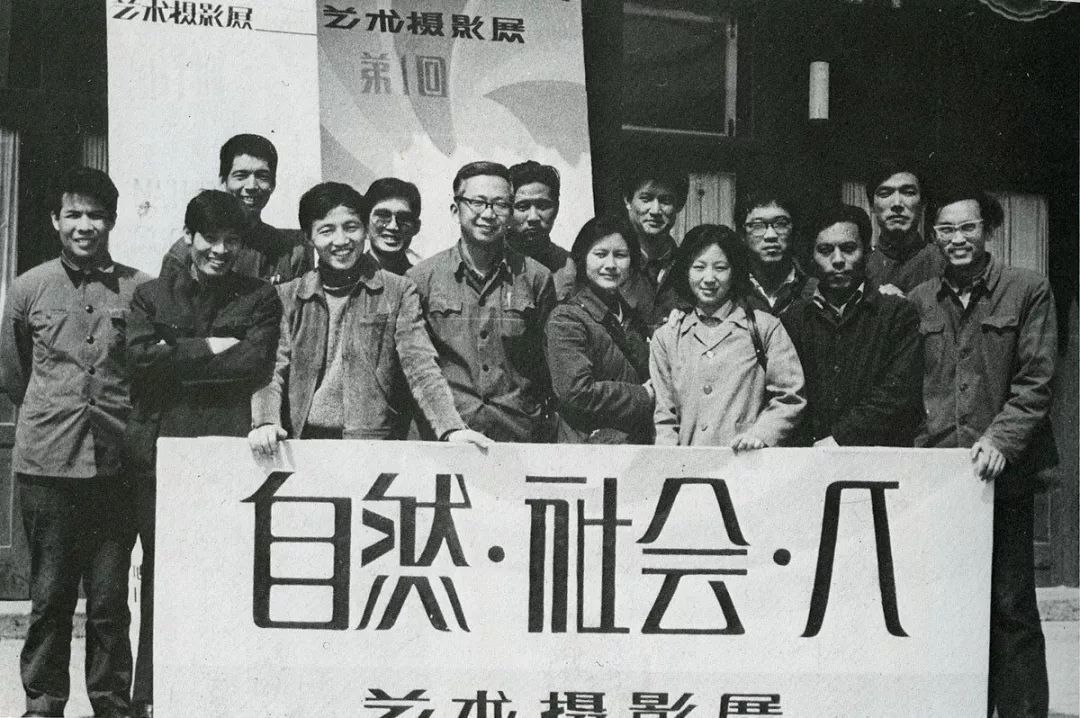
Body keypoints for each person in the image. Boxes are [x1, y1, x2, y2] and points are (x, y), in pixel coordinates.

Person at [125, 190, 283, 718]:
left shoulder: (260, 297)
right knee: (161, 573)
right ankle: (151, 694)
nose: (220, 250)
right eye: (209, 238)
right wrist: (213, 347)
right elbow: (139, 361)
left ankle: (219, 695)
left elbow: (255, 363)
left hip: (227, 453)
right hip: (161, 454)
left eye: (231, 240)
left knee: (227, 572)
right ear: (188, 237)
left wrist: (176, 356)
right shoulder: (150, 296)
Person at [0, 167, 148, 718]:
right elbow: (14, 370)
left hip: (116, 464)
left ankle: (111, 703)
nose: (85, 225)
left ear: (112, 221)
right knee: (50, 596)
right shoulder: (28, 287)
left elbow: (147, 370)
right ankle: (43, 703)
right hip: (48, 464)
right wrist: (53, 411)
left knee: (109, 600)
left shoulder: (140, 289)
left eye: (96, 215)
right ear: (55, 220)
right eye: (74, 215)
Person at [907, 184, 1057, 717]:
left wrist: (1000, 439)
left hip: (1003, 474)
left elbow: (1037, 379)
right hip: (939, 476)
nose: (957, 239)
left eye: (968, 227)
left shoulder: (1027, 289)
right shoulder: (919, 300)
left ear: (987, 230)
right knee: (944, 602)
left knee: (1011, 602)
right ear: (933, 235)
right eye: (945, 229)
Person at [247, 182, 490, 451]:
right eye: (327, 230)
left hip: (371, 446)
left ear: (365, 229)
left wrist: (452, 428)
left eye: (351, 227)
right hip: (301, 443)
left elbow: (420, 364)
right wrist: (265, 422)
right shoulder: (287, 296)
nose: (341, 241)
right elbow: (271, 368)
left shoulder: (398, 291)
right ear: (309, 237)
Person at [407, 161, 556, 443]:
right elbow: (417, 365)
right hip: (445, 438)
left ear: (510, 213)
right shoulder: (420, 279)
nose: (488, 214)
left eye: (500, 204)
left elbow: (547, 368)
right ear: (456, 209)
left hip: (517, 437)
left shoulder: (536, 278)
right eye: (478, 202)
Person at [650, 224, 805, 448]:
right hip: (687, 463)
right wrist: (669, 459)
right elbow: (664, 416)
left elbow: (790, 396)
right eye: (699, 267)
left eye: (720, 268)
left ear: (734, 272)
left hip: (746, 461)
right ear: (686, 271)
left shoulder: (765, 328)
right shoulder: (668, 337)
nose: (709, 278)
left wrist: (761, 435)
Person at [781, 204, 923, 446]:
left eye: (848, 249)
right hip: (811, 457)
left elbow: (898, 392)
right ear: (811, 257)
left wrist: (840, 438)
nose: (837, 260)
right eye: (825, 250)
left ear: (867, 252)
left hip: (879, 456)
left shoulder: (897, 314)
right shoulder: (794, 320)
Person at [544, 216, 654, 444]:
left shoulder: (632, 316)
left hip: (633, 444)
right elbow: (576, 392)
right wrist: (645, 395)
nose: (611, 265)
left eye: (620, 255)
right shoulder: (567, 319)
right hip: (588, 446)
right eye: (600, 254)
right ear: (583, 258)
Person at [159, 133, 309, 284]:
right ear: (223, 180)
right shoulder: (189, 251)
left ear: (273, 184)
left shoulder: (289, 252)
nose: (251, 186)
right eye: (241, 176)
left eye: (262, 176)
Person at [619, 162, 688, 331]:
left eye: (665, 200)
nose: (655, 210)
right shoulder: (611, 267)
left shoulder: (689, 267)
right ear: (628, 200)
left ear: (679, 205)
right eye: (646, 199)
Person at [864, 157, 945, 295]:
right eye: (885, 194)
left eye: (908, 193)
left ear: (923, 204)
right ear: (872, 206)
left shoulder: (944, 262)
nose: (897, 203)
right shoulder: (860, 266)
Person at [736, 189, 816, 315]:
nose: (771, 235)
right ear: (742, 235)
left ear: (794, 231)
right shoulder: (730, 290)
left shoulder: (815, 290)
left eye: (781, 224)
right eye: (757, 226)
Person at [508, 161, 574, 299]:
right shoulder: (488, 264)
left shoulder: (573, 269)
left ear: (556, 208)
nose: (533, 217)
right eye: (522, 207)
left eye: (543, 206)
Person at [364, 177, 422, 276]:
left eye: (403, 218)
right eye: (383, 216)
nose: (393, 226)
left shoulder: (423, 280)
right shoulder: (347, 277)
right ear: (365, 224)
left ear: (416, 227)